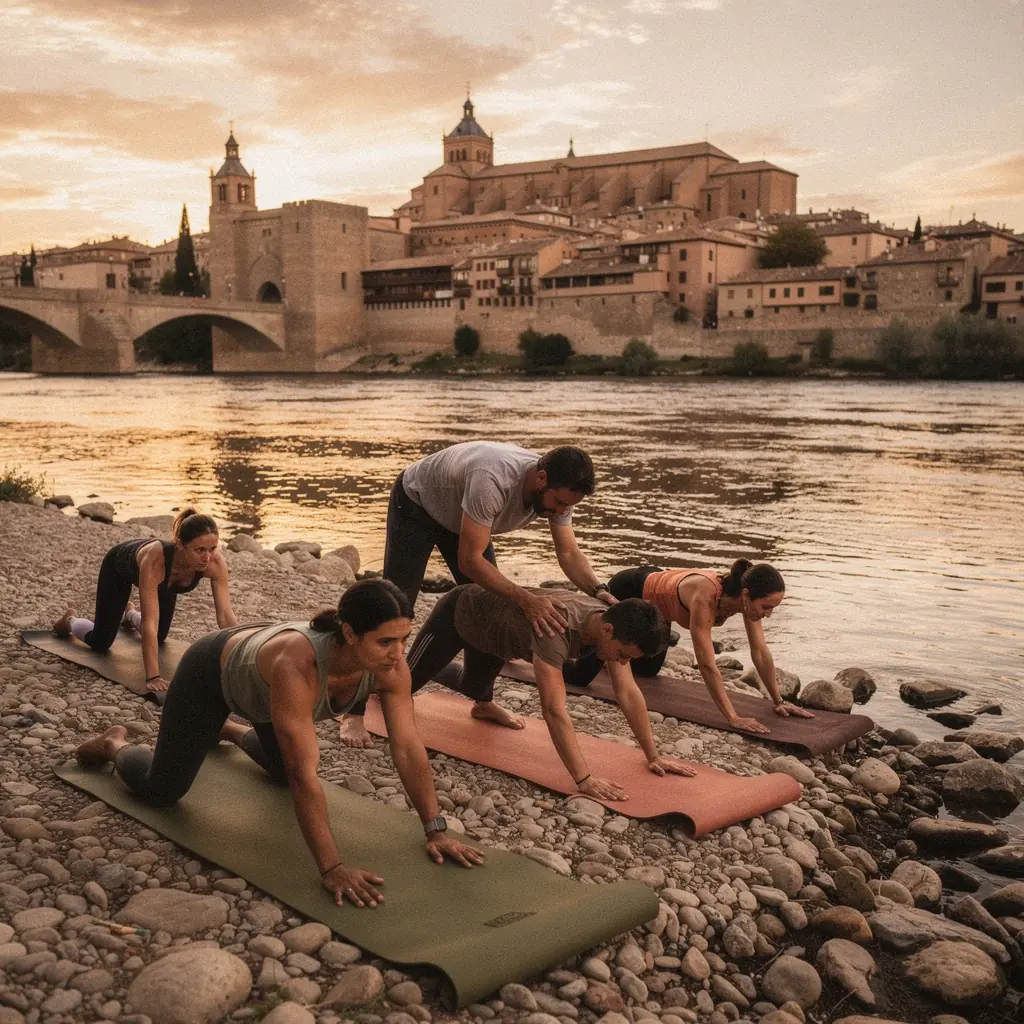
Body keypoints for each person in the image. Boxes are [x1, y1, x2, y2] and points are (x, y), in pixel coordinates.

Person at [73, 579, 483, 909]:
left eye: (403, 640)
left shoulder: (390, 668)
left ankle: (226, 731)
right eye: (385, 642)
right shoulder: (297, 668)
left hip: (265, 690)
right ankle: (114, 743)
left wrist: (435, 830)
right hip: (210, 674)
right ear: (349, 633)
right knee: (163, 791)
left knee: (281, 770)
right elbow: (306, 777)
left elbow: (408, 748)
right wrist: (332, 867)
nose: (398, 655)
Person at [339, 441, 615, 747]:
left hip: (465, 516)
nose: (561, 511)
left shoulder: (559, 490)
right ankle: (353, 711)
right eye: (559, 503)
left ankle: (482, 701)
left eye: (568, 506)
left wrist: (599, 590)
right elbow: (469, 562)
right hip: (417, 505)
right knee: (393, 609)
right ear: (540, 479)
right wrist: (527, 598)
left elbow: (568, 553)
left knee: (492, 610)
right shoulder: (493, 480)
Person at [399, 583, 696, 801]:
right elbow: (553, 710)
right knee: (399, 688)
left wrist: (653, 755)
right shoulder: (557, 632)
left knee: (472, 686)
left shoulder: (612, 622)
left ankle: (482, 703)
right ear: (607, 631)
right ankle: (402, 665)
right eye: (622, 654)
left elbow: (628, 692)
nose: (620, 662)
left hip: (498, 636)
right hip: (463, 614)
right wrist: (584, 779)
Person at [566, 560, 814, 736]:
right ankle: (554, 652)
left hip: (660, 603)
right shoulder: (706, 597)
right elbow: (706, 663)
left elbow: (760, 652)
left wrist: (778, 700)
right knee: (583, 675)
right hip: (632, 589)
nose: (768, 614)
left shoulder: (747, 604)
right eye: (766, 607)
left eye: (772, 609)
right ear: (746, 595)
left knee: (649, 667)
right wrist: (732, 717)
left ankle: (611, 657)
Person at [52, 508, 237, 692]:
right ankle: (69, 620)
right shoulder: (155, 562)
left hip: (166, 581)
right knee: (101, 642)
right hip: (119, 568)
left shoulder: (214, 563)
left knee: (159, 637)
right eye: (200, 550)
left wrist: (243, 651)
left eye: (213, 548)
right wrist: (153, 676)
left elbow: (225, 615)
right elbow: (149, 621)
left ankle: (130, 614)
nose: (207, 557)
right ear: (181, 545)